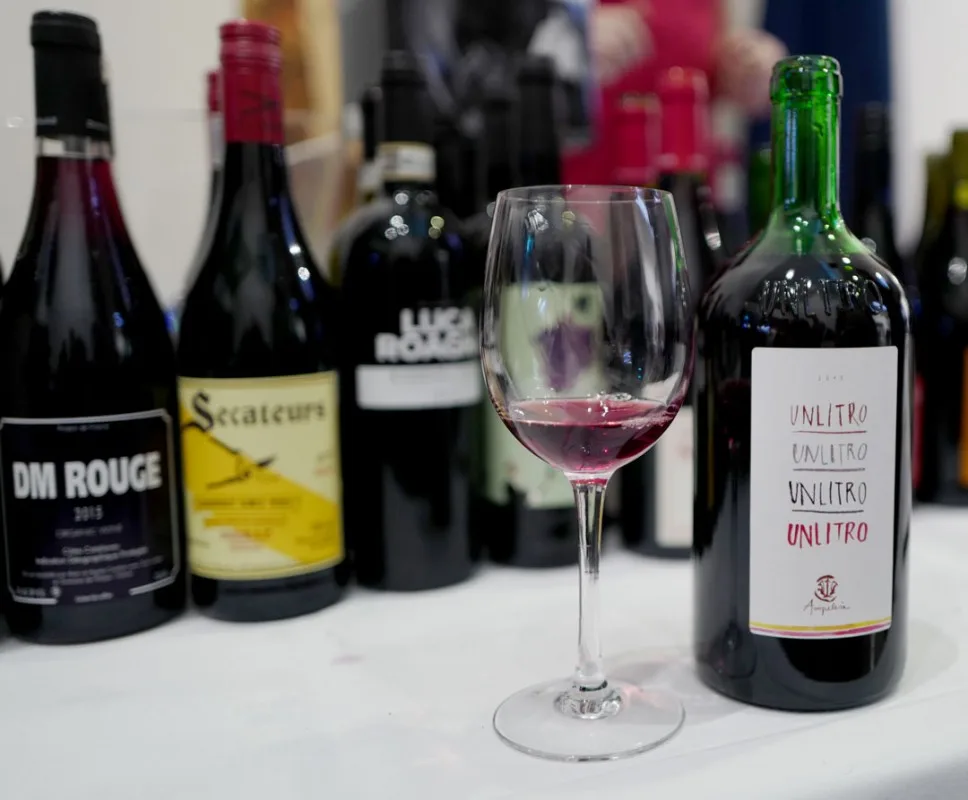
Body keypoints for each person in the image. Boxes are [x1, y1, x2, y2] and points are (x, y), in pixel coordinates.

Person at [565, 0, 787, 184]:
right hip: (576, 195)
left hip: (683, 195)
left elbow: (714, 58)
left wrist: (749, 66)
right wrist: (569, 35)